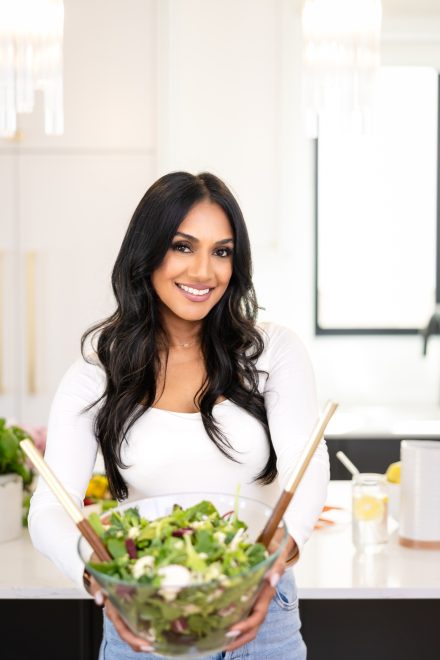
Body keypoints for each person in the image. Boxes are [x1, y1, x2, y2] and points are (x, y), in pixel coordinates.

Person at [29, 171, 330, 659]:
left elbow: (309, 463)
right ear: (146, 253)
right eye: (183, 247)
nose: (204, 272)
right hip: (145, 612)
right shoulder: (95, 375)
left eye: (222, 251)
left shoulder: (273, 352)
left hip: (261, 609)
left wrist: (271, 565)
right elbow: (47, 509)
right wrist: (103, 583)